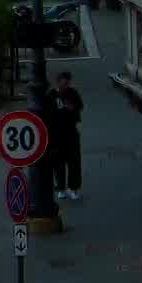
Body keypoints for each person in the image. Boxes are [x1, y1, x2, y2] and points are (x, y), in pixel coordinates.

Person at [49, 70, 84, 200]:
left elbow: (79, 107)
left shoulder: (72, 93)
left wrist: (72, 108)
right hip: (57, 134)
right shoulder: (51, 95)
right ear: (58, 82)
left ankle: (73, 188)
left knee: (74, 162)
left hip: (70, 133)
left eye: (67, 83)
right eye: (64, 83)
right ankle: (61, 188)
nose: (66, 86)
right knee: (58, 163)